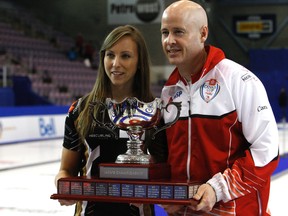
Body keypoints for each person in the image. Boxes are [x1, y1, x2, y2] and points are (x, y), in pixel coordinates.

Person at [159, 1, 279, 215]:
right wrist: (170, 192)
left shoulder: (238, 80)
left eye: (178, 32)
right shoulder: (169, 90)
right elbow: (172, 157)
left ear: (203, 33)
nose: (169, 41)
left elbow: (266, 151)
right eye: (165, 32)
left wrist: (217, 189)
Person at [55, 25, 167, 216]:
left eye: (125, 56)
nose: (115, 63)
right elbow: (65, 170)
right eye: (110, 55)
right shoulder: (80, 110)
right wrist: (63, 186)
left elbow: (164, 170)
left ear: (139, 61)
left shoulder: (153, 112)